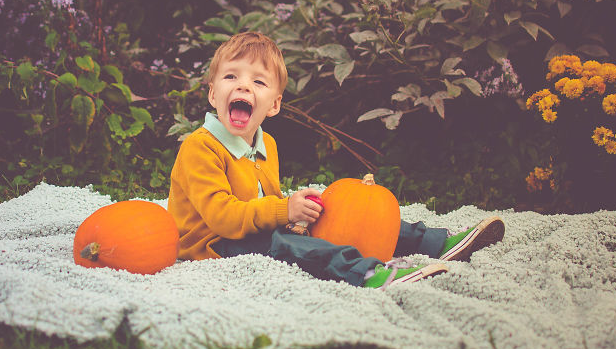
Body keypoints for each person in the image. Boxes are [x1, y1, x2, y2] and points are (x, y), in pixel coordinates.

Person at [167, 32, 505, 289]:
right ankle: (368, 272)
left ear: (273, 105)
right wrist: (284, 212)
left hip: (251, 227)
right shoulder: (201, 147)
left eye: (257, 81)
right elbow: (222, 217)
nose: (243, 86)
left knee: (341, 212)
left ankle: (435, 242)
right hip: (213, 244)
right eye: (231, 77)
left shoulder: (265, 142)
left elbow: (262, 201)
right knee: (288, 244)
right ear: (213, 94)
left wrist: (296, 211)